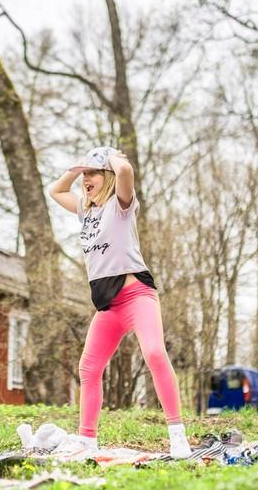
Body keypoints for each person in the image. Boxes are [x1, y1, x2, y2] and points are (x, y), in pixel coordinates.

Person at [47, 147, 192, 458]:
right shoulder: (86, 211)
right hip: (109, 306)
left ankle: (177, 433)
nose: (86, 179)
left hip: (137, 295)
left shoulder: (120, 205)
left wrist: (112, 156)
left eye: (93, 174)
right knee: (88, 367)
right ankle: (87, 439)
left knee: (154, 352)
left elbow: (125, 173)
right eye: (85, 175)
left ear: (108, 177)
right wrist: (80, 167)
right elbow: (56, 190)